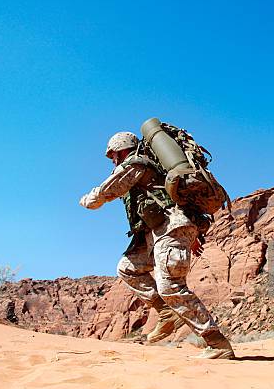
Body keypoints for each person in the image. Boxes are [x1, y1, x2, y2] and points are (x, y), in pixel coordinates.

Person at [79, 131, 234, 359]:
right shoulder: (147, 165)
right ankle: (165, 312)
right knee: (128, 267)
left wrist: (85, 200)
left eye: (113, 154)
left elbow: (104, 192)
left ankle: (217, 343)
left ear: (122, 149)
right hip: (159, 231)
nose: (113, 160)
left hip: (172, 228)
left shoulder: (135, 163)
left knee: (170, 285)